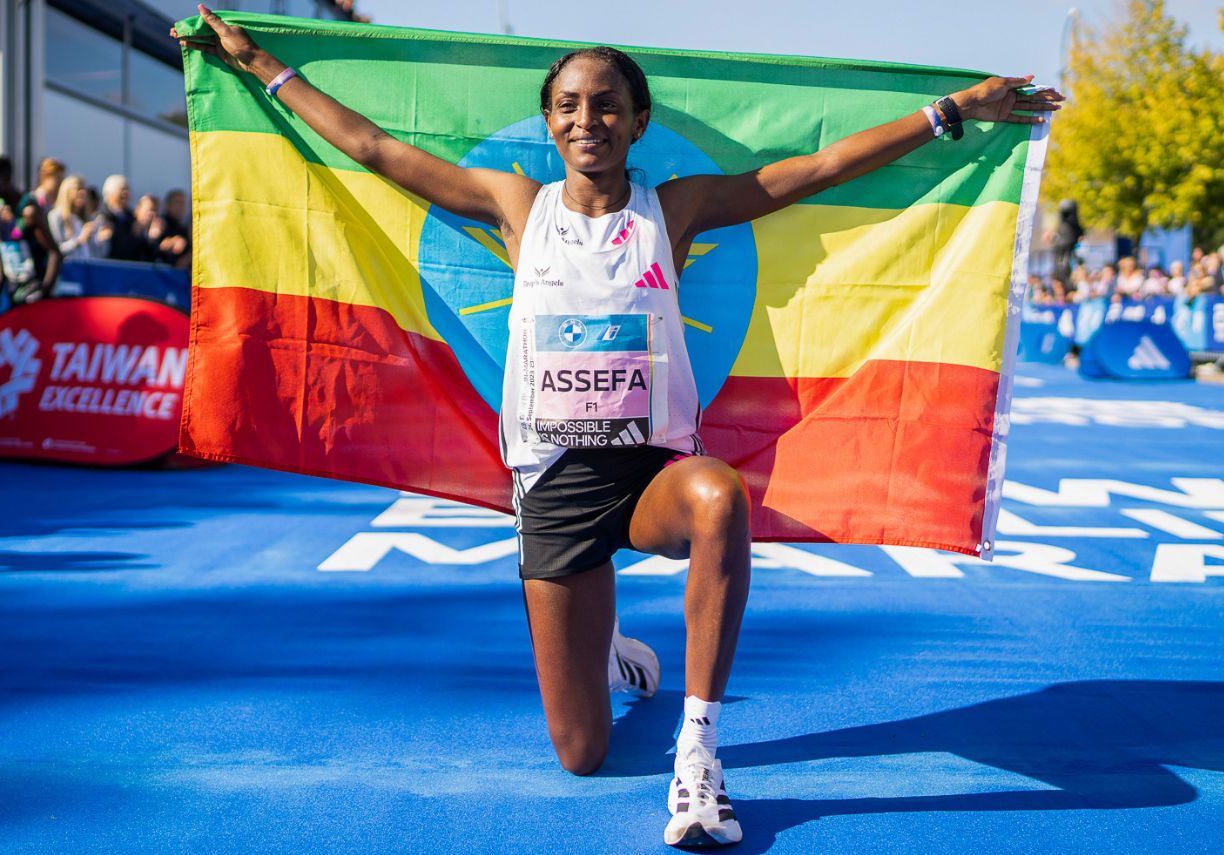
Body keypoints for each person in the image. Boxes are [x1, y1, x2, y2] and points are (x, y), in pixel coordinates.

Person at [175, 6, 1062, 847]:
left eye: (605, 105)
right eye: (567, 106)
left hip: (652, 478)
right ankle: (615, 652)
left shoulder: (673, 211)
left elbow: (818, 171)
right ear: (549, 125)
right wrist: (259, 66)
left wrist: (954, 111)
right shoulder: (519, 207)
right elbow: (372, 146)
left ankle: (699, 752)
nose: (586, 118)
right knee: (582, 755)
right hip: (555, 489)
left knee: (719, 499)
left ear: (638, 122)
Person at [0, 155, 62, 321]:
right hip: (15, 293)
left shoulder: (29, 211)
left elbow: (55, 254)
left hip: (36, 293)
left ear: (5, 179)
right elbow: (3, 253)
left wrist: (43, 293)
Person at [100, 173, 155, 261]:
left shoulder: (133, 218)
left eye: (127, 190)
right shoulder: (102, 217)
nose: (125, 193)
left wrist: (150, 238)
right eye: (122, 190)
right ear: (109, 193)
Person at [48, 174, 101, 259]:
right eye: (78, 189)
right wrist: (79, 240)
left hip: (88, 268)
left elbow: (97, 253)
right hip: (68, 269)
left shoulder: (86, 218)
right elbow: (56, 250)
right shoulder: (56, 216)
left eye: (84, 189)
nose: (82, 193)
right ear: (66, 192)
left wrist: (102, 239)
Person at [156, 189, 192, 267]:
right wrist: (172, 242)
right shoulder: (160, 223)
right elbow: (155, 246)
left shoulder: (183, 227)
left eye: (183, 203)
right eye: (177, 202)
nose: (180, 207)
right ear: (168, 205)